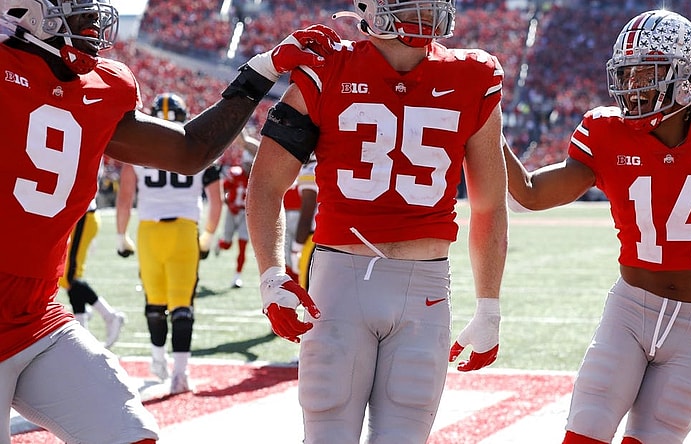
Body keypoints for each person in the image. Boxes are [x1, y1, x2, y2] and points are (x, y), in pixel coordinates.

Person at [0, 0, 340, 439]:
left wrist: (260, 71)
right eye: (74, 11)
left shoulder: (101, 87)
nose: (91, 22)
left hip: (35, 319)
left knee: (130, 432)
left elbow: (189, 151)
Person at [505, 9, 691, 444]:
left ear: (688, 73)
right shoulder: (606, 132)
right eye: (627, 75)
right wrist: (486, 127)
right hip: (630, 313)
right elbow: (530, 192)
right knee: (583, 437)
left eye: (647, 73)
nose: (632, 87)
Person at [245, 1, 509, 442]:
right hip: (338, 282)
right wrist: (271, 274)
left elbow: (489, 205)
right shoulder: (327, 65)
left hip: (422, 285)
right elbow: (266, 184)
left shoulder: (476, 73)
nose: (428, 9)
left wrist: (490, 306)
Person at [116, 92, 223, 394]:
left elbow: (125, 199)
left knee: (154, 303)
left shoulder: (137, 151)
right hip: (184, 231)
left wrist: (121, 235)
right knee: (182, 305)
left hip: (149, 232)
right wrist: (209, 234)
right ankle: (180, 372)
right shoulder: (199, 150)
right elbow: (216, 201)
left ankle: (157, 361)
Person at [59, 188, 126, 348]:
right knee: (69, 278)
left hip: (83, 215)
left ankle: (110, 316)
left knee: (69, 277)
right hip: (80, 215)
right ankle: (81, 330)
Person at [216, 129, 258, 288]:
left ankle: (237, 276)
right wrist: (229, 202)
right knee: (227, 245)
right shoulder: (235, 173)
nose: (249, 168)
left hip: (246, 214)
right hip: (232, 212)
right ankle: (220, 243)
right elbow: (224, 190)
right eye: (247, 164)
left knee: (242, 244)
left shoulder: (257, 177)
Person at [289, 154, 318, 289]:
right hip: (337, 236)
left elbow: (307, 213)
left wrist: (296, 249)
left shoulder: (311, 169)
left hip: (316, 239)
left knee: (308, 290)